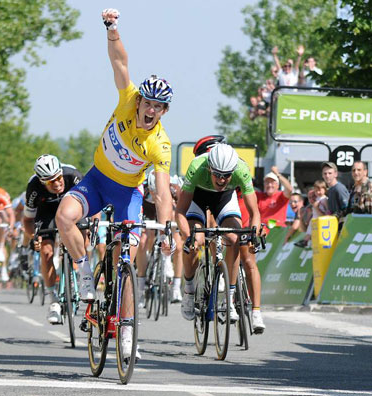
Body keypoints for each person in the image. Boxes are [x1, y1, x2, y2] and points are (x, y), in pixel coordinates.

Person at [55, 8, 174, 361]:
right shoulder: (127, 100)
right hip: (96, 180)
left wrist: (166, 229)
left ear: (164, 112)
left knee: (126, 262)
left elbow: (163, 191)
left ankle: (126, 328)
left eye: (159, 107)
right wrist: (112, 29)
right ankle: (85, 274)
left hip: (128, 195)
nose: (151, 110)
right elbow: (120, 62)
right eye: (148, 102)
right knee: (65, 216)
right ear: (139, 101)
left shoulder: (160, 143)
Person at [176, 143, 261, 325]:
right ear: (209, 168)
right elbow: (180, 211)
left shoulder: (241, 169)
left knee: (234, 238)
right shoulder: (197, 166)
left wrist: (254, 235)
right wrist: (187, 236)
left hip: (225, 199)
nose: (222, 180)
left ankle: (228, 298)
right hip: (197, 198)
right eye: (217, 175)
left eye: (227, 176)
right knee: (196, 240)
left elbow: (254, 213)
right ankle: (189, 290)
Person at [21, 154, 82, 324]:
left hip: (72, 206)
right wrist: (33, 237)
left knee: (83, 232)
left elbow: (92, 205)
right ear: (41, 182)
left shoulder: (73, 176)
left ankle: (78, 270)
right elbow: (27, 220)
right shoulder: (33, 188)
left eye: (58, 178)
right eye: (50, 182)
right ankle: (53, 301)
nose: (56, 183)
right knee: (46, 252)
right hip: (46, 211)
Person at [136, 172, 184, 306]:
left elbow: (180, 211)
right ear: (149, 188)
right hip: (148, 211)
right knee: (143, 241)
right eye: (153, 192)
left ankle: (176, 287)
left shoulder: (174, 189)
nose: (156, 195)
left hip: (168, 210)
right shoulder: (143, 190)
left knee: (178, 246)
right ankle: (140, 288)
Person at [256, 166, 293, 230]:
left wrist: (277, 174)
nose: (270, 185)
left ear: (277, 185)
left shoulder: (281, 196)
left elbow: (289, 189)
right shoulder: (260, 196)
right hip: (263, 231)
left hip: (277, 231)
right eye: (267, 182)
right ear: (264, 184)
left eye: (272, 182)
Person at [295, 180, 329, 248]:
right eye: (316, 191)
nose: (318, 192)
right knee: (310, 228)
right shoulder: (317, 200)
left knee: (312, 229)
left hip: (321, 220)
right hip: (315, 219)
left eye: (319, 190)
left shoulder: (324, 199)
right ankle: (305, 240)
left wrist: (316, 208)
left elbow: (327, 211)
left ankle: (306, 240)